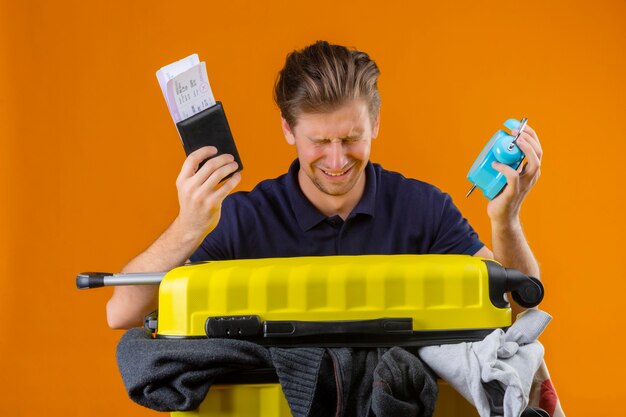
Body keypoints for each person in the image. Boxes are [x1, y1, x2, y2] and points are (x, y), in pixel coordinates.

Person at [106, 40, 543, 330]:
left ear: (375, 123)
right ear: (288, 130)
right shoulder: (240, 218)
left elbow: (523, 307)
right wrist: (188, 226)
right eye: (319, 142)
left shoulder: (423, 208)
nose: (337, 161)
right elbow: (120, 314)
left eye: (352, 138)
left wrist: (505, 220)